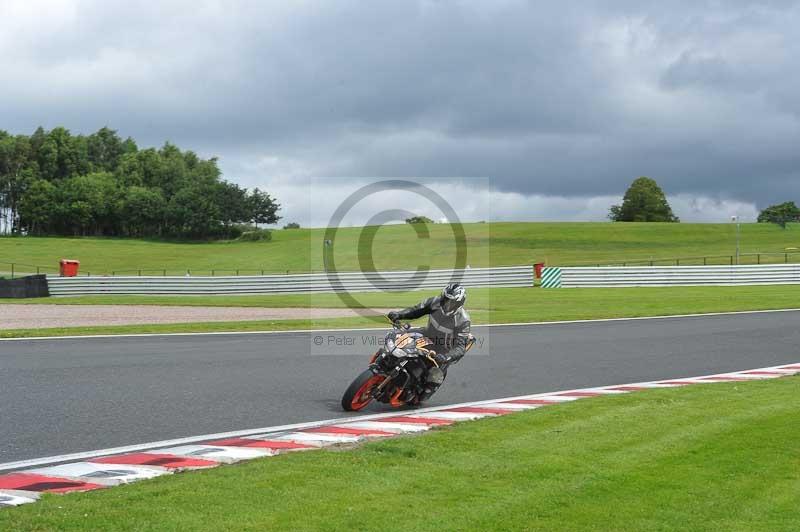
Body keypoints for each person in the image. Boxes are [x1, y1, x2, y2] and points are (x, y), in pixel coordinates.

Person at [387, 283, 471, 401]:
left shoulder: (463, 320)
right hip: (427, 334)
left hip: (443, 349)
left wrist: (446, 357)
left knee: (435, 375)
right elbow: (416, 310)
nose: (446, 304)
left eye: (451, 302)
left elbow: (460, 347)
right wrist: (399, 314)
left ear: (459, 304)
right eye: (445, 299)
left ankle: (421, 394)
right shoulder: (434, 302)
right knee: (398, 337)